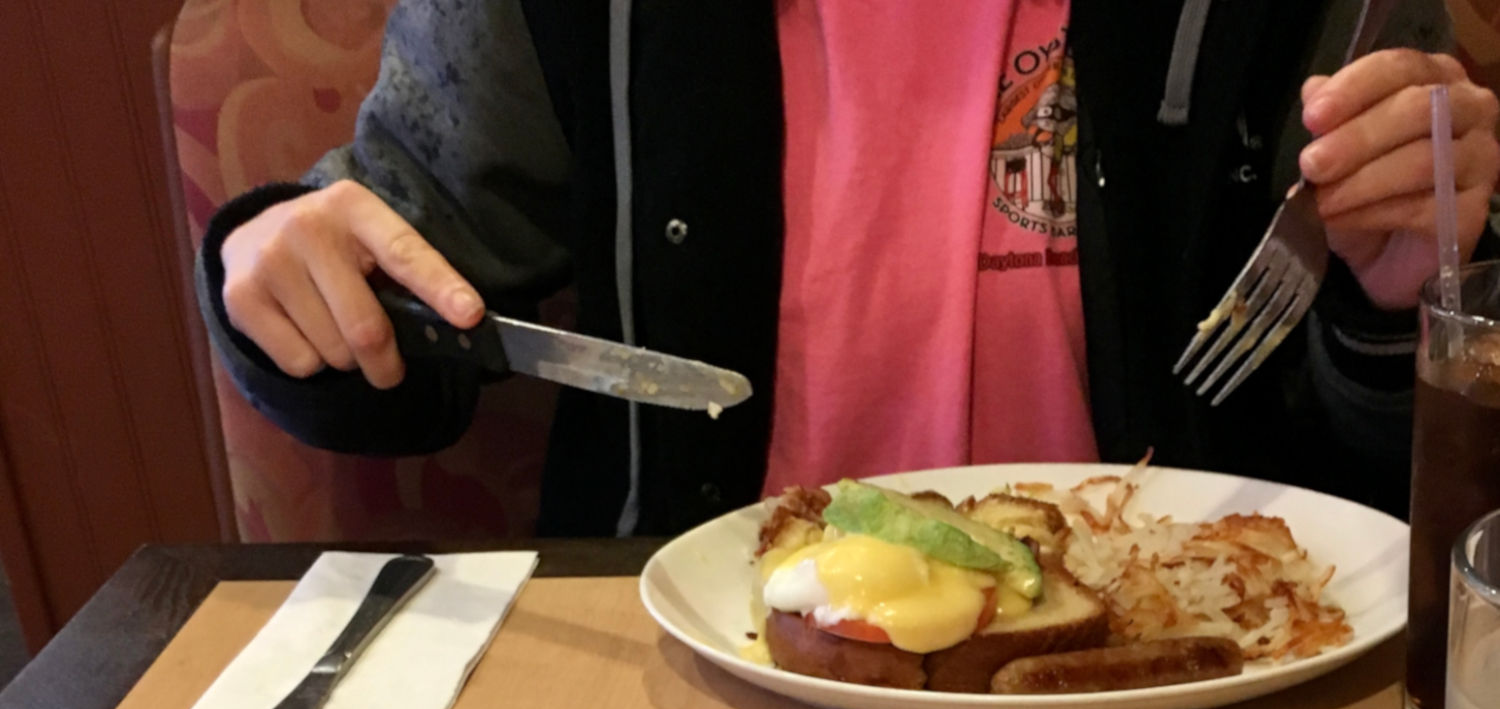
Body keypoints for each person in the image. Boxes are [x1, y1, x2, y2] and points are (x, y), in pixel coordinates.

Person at [199, 1, 1500, 535]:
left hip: (1183, 660)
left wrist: (1408, 304)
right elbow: (406, 306)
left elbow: (1391, 463)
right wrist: (284, 272)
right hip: (705, 650)